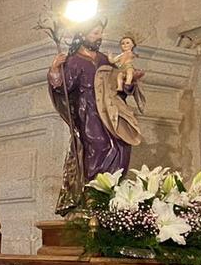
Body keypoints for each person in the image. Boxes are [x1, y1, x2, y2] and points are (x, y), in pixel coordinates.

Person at [48, 23, 145, 214]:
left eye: (101, 33)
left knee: (121, 145)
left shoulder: (104, 59)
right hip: (88, 111)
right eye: (95, 33)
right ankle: (93, 195)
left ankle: (112, 195)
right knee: (97, 145)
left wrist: (129, 83)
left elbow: (118, 83)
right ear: (83, 34)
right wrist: (55, 70)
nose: (99, 37)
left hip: (110, 109)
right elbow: (64, 88)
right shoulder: (74, 61)